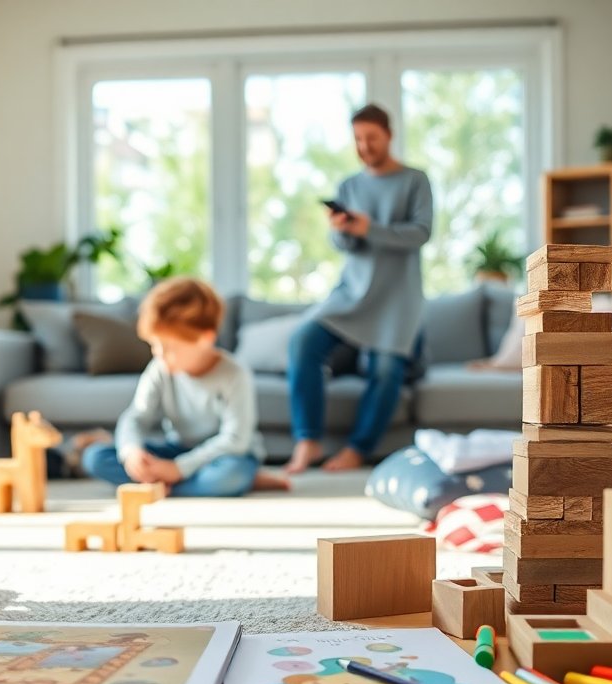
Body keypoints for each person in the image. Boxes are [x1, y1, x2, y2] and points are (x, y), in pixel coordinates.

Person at [283, 104, 434, 474]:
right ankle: (308, 440)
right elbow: (346, 247)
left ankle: (357, 449)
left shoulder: (416, 180)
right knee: (302, 341)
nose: (364, 146)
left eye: (372, 138)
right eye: (358, 139)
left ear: (389, 136)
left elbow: (420, 233)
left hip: (397, 300)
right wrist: (342, 229)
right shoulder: (349, 186)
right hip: (351, 293)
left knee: (385, 369)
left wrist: (370, 228)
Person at [81, 277, 289, 496]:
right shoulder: (159, 368)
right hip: (177, 450)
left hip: (226, 456)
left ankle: (163, 486)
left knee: (230, 475)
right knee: (94, 458)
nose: (159, 354)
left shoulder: (234, 374)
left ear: (205, 339)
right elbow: (136, 416)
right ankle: (191, 485)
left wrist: (179, 469)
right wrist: (131, 452)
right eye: (154, 345)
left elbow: (235, 439)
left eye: (169, 347)